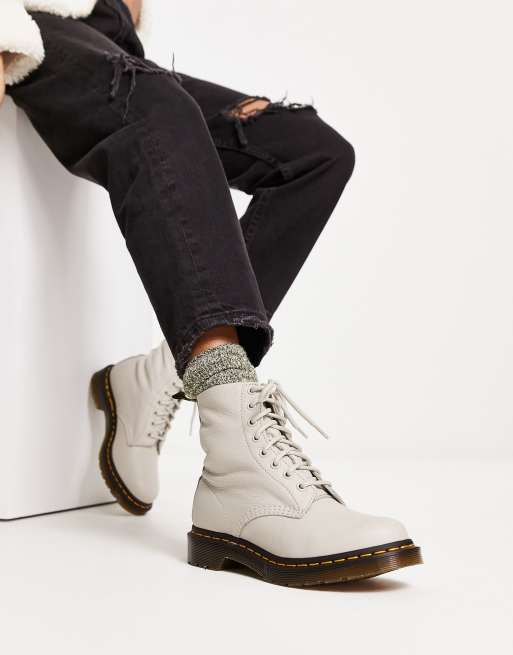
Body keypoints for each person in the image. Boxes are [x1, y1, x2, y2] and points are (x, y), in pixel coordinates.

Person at [0, 0, 422, 586]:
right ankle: (236, 467)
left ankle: (156, 377)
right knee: (154, 106)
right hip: (25, 30)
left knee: (312, 152)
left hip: (102, 28)